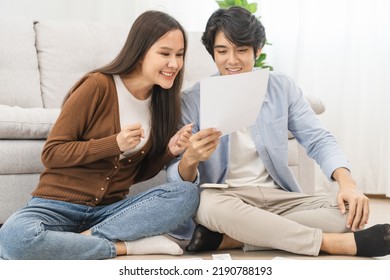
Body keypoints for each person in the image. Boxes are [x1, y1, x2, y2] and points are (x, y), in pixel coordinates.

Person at [166, 6, 390, 258]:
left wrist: (347, 183)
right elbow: (177, 177)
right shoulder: (193, 100)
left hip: (279, 197)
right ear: (212, 53)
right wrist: (191, 158)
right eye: (222, 51)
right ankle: (330, 243)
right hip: (226, 198)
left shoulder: (281, 87)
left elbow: (318, 139)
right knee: (206, 206)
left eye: (241, 50)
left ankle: (234, 238)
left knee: (349, 211)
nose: (232, 60)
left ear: (257, 50)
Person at [0, 10, 199, 260]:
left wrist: (168, 151)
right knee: (14, 238)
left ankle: (75, 243)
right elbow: (51, 153)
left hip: (109, 212)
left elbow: (138, 174)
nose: (175, 64)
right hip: (56, 206)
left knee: (186, 194)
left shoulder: (163, 102)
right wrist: (113, 143)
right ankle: (124, 247)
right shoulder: (97, 85)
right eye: (165, 53)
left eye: (179, 55)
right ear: (140, 52)